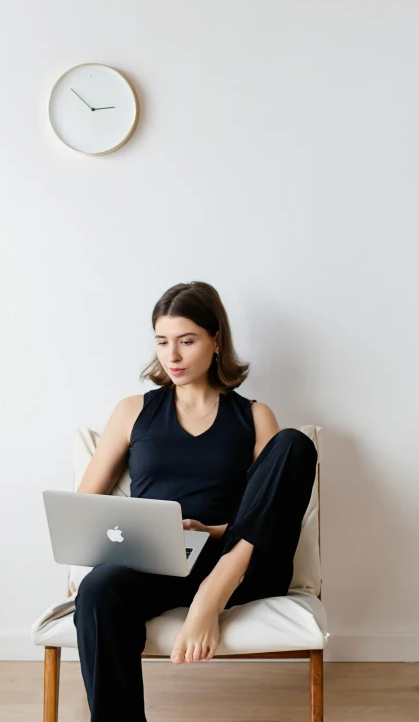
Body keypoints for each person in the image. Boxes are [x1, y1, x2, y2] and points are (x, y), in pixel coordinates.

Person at [73, 281, 318, 722]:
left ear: (215, 340)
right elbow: (83, 510)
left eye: (187, 341)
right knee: (98, 589)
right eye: (163, 342)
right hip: (162, 560)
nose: (173, 356)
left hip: (240, 561)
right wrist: (145, 535)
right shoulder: (133, 411)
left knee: (294, 445)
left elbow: (274, 511)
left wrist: (214, 534)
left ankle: (212, 593)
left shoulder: (254, 415)